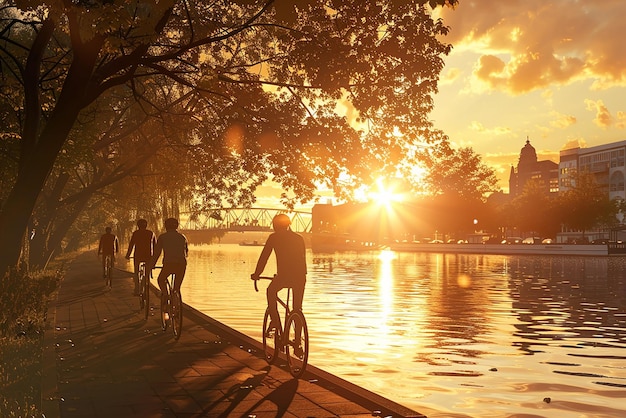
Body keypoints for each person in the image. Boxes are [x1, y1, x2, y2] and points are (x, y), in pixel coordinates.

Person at [251, 213, 307, 335]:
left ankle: (275, 322)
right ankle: (297, 341)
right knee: (297, 308)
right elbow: (303, 259)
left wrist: (257, 274)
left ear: (276, 225)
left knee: (271, 291)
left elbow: (264, 258)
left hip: (284, 277)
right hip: (300, 277)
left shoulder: (274, 238)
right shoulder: (299, 238)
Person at [150, 218, 188, 318]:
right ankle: (176, 303)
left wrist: (152, 264)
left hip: (169, 264)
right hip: (181, 264)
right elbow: (186, 252)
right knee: (177, 287)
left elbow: (157, 253)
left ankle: (165, 295)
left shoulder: (162, 237)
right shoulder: (182, 237)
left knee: (161, 279)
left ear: (166, 226)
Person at [125, 219, 157, 295]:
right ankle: (146, 285)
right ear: (146, 225)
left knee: (136, 272)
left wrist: (128, 255)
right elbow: (156, 246)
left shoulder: (135, 233)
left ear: (138, 226)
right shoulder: (151, 233)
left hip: (138, 255)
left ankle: (136, 289)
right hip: (148, 256)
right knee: (147, 273)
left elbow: (131, 245)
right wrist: (154, 259)